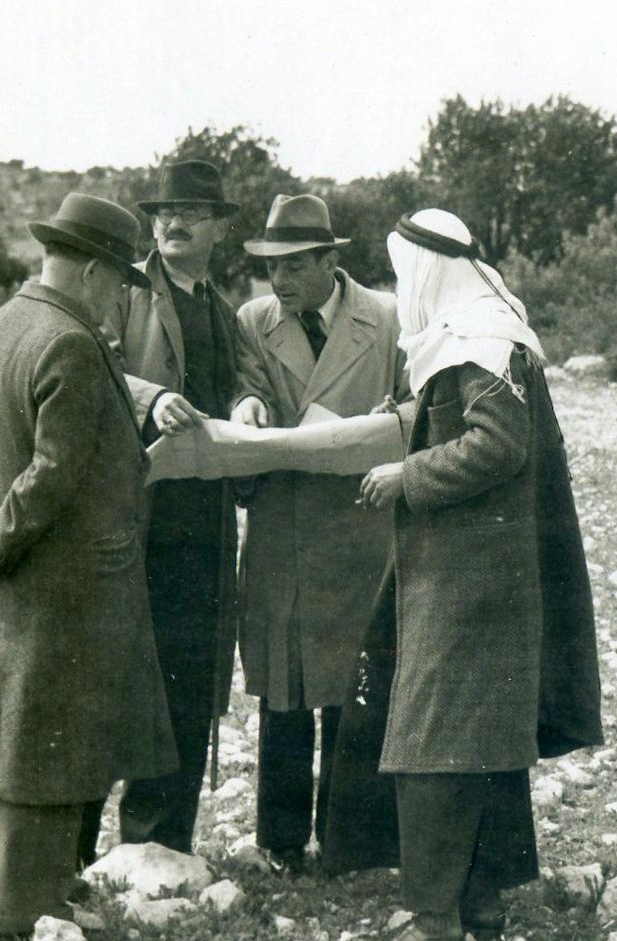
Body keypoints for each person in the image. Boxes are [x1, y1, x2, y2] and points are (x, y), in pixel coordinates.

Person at [0, 193, 177, 941]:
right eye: (118, 284)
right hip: (66, 579)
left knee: (26, 736)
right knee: (54, 740)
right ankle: (27, 909)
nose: (118, 300)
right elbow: (53, 474)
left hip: (12, 583)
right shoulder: (70, 342)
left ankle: (31, 894)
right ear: (96, 270)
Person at [358, 209, 602, 941]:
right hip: (488, 570)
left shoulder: (477, 339)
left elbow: (496, 443)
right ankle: (481, 901)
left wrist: (408, 474)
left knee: (430, 738)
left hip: (465, 575)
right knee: (480, 737)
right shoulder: (490, 330)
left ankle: (434, 922)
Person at [231, 193, 409, 873]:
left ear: (331, 260)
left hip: (360, 532)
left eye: (295, 266)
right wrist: (246, 406)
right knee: (282, 688)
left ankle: (350, 842)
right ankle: (279, 844)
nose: (280, 281)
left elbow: (413, 406)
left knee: (351, 687)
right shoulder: (254, 321)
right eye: (271, 266)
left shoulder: (388, 320)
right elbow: (246, 386)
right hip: (281, 529)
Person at [87, 160, 248, 859]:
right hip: (138, 513)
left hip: (204, 521)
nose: (173, 223)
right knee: (119, 675)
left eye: (190, 212)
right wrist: (151, 398)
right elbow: (89, 361)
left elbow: (243, 375)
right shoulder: (127, 290)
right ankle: (80, 854)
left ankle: (166, 845)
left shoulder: (220, 303)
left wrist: (249, 402)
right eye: (163, 212)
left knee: (191, 678)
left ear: (218, 228)